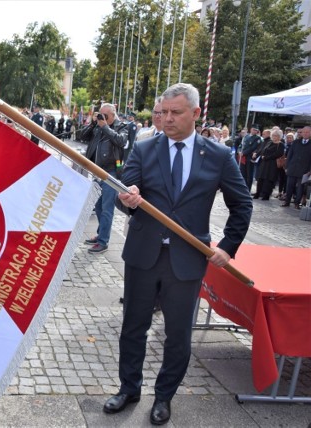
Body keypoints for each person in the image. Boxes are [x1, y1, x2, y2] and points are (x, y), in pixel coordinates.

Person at [106, 83, 252, 425]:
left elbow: (242, 205)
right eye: (163, 112)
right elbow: (124, 193)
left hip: (186, 261)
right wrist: (127, 198)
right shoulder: (144, 148)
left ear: (196, 114)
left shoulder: (218, 156)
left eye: (176, 113)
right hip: (143, 255)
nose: (166, 119)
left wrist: (228, 249)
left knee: (178, 334)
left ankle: (164, 396)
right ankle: (129, 388)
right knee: (133, 327)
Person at [81, 104, 128, 254]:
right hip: (97, 171)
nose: (102, 118)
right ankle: (101, 234)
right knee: (99, 206)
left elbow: (121, 141)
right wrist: (94, 123)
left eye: (105, 115)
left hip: (111, 172)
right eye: (100, 115)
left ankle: (103, 241)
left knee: (107, 209)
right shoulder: (98, 126)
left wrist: (105, 127)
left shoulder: (122, 127)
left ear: (113, 115)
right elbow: (82, 136)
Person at [281, 125, 311, 209]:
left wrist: (310, 170)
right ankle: (287, 201)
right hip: (293, 168)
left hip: (304, 170)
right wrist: (287, 167)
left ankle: (297, 203)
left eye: (307, 132)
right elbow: (290, 155)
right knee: (289, 186)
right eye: (303, 132)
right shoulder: (296, 142)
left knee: (300, 188)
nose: (305, 134)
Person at [254, 128, 285, 200]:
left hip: (272, 164)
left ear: (279, 136)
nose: (274, 137)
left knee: (269, 180)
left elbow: (278, 154)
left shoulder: (281, 144)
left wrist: (267, 157)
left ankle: (266, 195)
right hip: (264, 163)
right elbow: (263, 150)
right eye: (273, 135)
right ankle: (257, 193)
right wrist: (263, 155)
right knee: (260, 178)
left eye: (276, 135)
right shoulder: (269, 142)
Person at [239, 124, 262, 193]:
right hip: (243, 158)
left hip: (249, 158)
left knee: (249, 175)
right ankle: (242, 188)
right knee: (243, 174)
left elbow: (253, 148)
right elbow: (241, 145)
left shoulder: (257, 138)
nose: (254, 131)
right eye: (253, 129)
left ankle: (247, 189)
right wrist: (239, 151)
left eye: (256, 130)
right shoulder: (246, 136)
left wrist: (244, 153)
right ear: (250, 129)